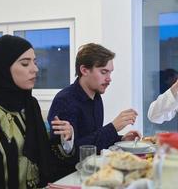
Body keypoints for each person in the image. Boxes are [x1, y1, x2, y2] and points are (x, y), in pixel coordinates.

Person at [0, 35, 72, 188]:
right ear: (3, 68)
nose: (35, 69)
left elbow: (43, 158)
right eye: (25, 63)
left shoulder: (30, 104)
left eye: (35, 62)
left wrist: (64, 140)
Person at [47, 43, 140, 177]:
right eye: (103, 72)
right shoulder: (65, 100)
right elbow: (72, 154)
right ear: (84, 70)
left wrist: (120, 138)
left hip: (88, 173)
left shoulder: (96, 97)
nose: (109, 79)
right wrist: (113, 128)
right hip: (68, 178)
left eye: (110, 72)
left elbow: (93, 139)